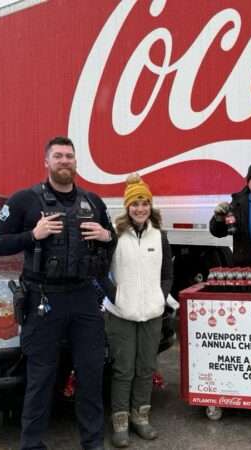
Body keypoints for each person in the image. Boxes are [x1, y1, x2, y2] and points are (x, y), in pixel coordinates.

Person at [0, 136, 116, 450]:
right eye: (58, 156)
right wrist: (33, 234)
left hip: (84, 298)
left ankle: (92, 442)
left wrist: (106, 234)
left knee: (90, 373)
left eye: (69, 156)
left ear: (75, 162)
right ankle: (31, 444)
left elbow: (111, 241)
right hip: (43, 299)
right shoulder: (24, 201)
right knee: (41, 377)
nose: (64, 161)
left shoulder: (93, 202)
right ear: (46, 162)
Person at [104, 173, 172, 448]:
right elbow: (100, 273)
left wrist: (161, 296)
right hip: (121, 314)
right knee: (123, 370)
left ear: (150, 205)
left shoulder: (160, 235)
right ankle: (120, 422)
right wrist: (115, 297)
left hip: (152, 313)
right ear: (127, 207)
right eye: (135, 204)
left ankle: (141, 417)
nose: (140, 208)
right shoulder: (114, 235)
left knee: (145, 368)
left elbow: (167, 272)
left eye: (144, 203)